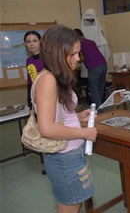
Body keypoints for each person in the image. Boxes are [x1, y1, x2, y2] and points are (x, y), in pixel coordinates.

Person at [36, 24, 98, 213]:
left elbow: (56, 115)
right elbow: (46, 128)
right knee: (70, 204)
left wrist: (77, 116)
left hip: (70, 154)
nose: (78, 59)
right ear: (57, 52)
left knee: (73, 203)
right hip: (64, 158)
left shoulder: (55, 76)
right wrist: (84, 132)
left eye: (78, 53)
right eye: (73, 54)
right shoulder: (48, 80)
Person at [24, 30, 46, 175]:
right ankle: (46, 161)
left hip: (47, 99)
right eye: (28, 41)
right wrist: (29, 101)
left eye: (34, 40)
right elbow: (30, 83)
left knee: (49, 129)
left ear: (40, 42)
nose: (31, 44)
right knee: (41, 131)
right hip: (35, 101)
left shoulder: (47, 58)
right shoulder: (28, 61)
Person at [74, 28, 108, 108]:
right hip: (103, 65)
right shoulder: (91, 42)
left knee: (94, 90)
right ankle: (101, 106)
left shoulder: (78, 44)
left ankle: (98, 110)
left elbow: (80, 59)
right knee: (100, 88)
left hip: (94, 67)